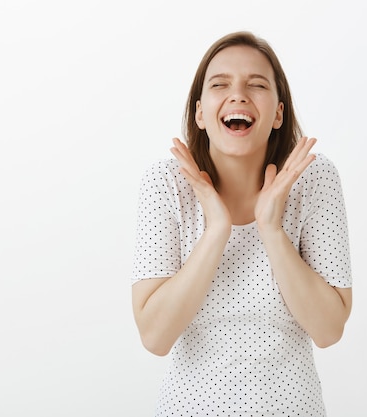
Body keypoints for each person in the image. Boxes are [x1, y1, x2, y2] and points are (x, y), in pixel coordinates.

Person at [131, 31, 352, 416]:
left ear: (278, 113)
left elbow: (329, 330)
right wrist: (217, 229)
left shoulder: (315, 180)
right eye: (220, 84)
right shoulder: (166, 183)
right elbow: (155, 336)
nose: (238, 95)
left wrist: (271, 229)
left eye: (256, 84)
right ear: (200, 112)